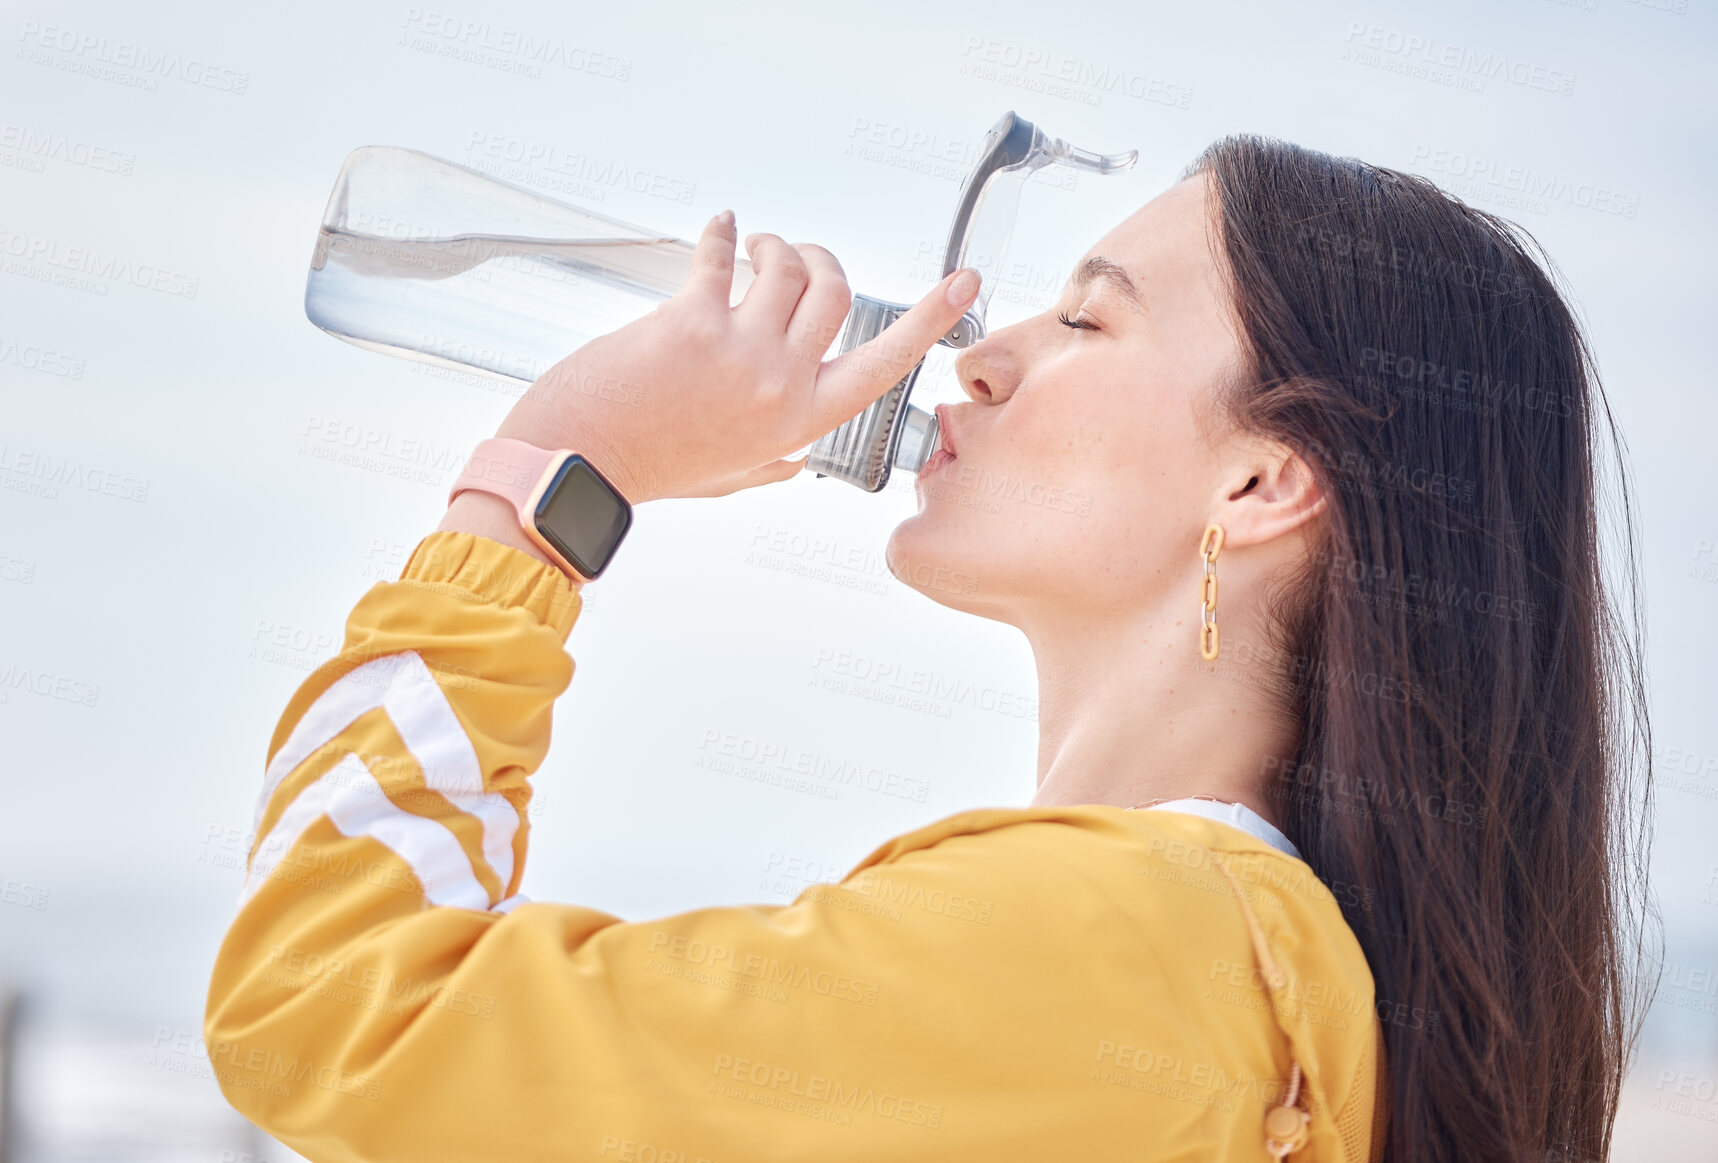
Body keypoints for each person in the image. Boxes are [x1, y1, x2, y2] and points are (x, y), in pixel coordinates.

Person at [204, 135, 1652, 1162]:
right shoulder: (1259, 973)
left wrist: (540, 494)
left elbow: (324, 1018)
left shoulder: (1113, 945)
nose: (978, 353)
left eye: (1086, 316)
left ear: (1261, 484)